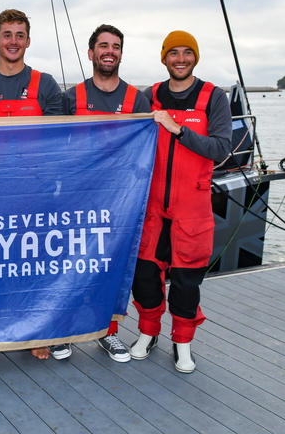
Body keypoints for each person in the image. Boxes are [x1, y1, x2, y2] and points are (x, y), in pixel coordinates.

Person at [0, 8, 63, 362]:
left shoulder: (46, 85)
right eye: (7, 35)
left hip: (32, 193)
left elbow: (57, 141)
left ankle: (34, 334)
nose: (13, 41)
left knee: (30, 266)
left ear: (28, 41)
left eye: (20, 35)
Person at [129, 30, 232, 373]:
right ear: (165, 58)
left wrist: (178, 129)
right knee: (145, 277)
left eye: (188, 53)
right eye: (174, 53)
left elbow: (220, 148)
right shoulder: (151, 95)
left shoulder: (213, 96)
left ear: (195, 57)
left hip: (192, 209)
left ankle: (183, 342)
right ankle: (148, 332)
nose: (181, 59)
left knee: (187, 283)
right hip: (153, 207)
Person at [62, 24, 151, 363]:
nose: (109, 51)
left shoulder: (135, 99)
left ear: (121, 54)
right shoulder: (72, 98)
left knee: (109, 267)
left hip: (117, 202)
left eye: (115, 46)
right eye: (103, 45)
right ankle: (64, 331)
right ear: (91, 53)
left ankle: (108, 332)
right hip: (78, 197)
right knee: (70, 265)